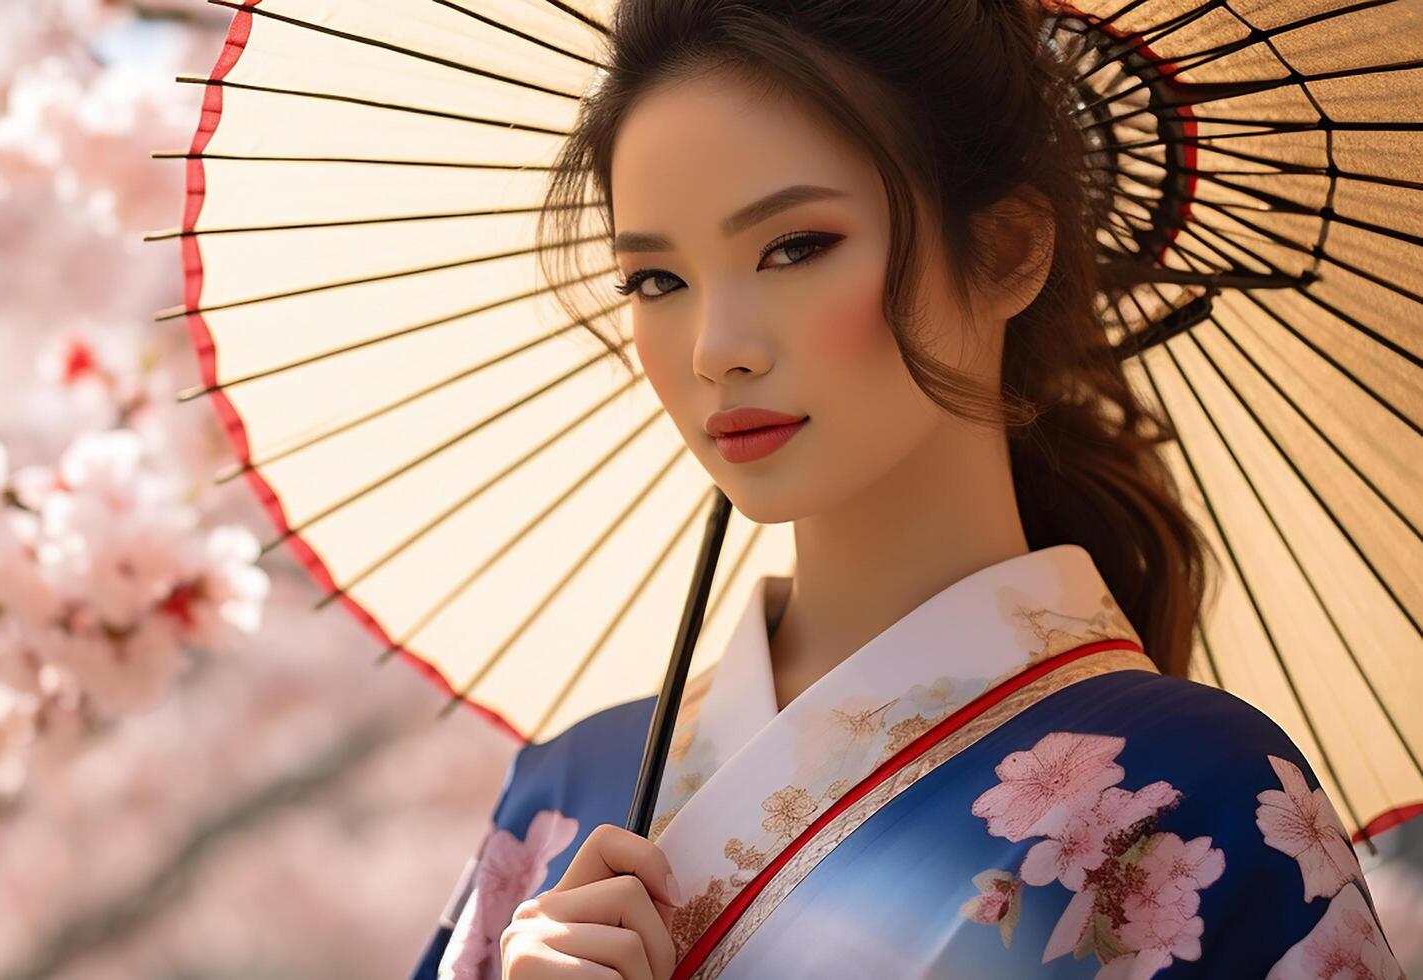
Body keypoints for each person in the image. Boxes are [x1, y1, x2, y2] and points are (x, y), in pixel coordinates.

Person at [408, 0, 1405, 977]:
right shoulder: (567, 789)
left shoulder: (1196, 792)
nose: (715, 350)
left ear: (1009, 249)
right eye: (656, 281)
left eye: (794, 246)